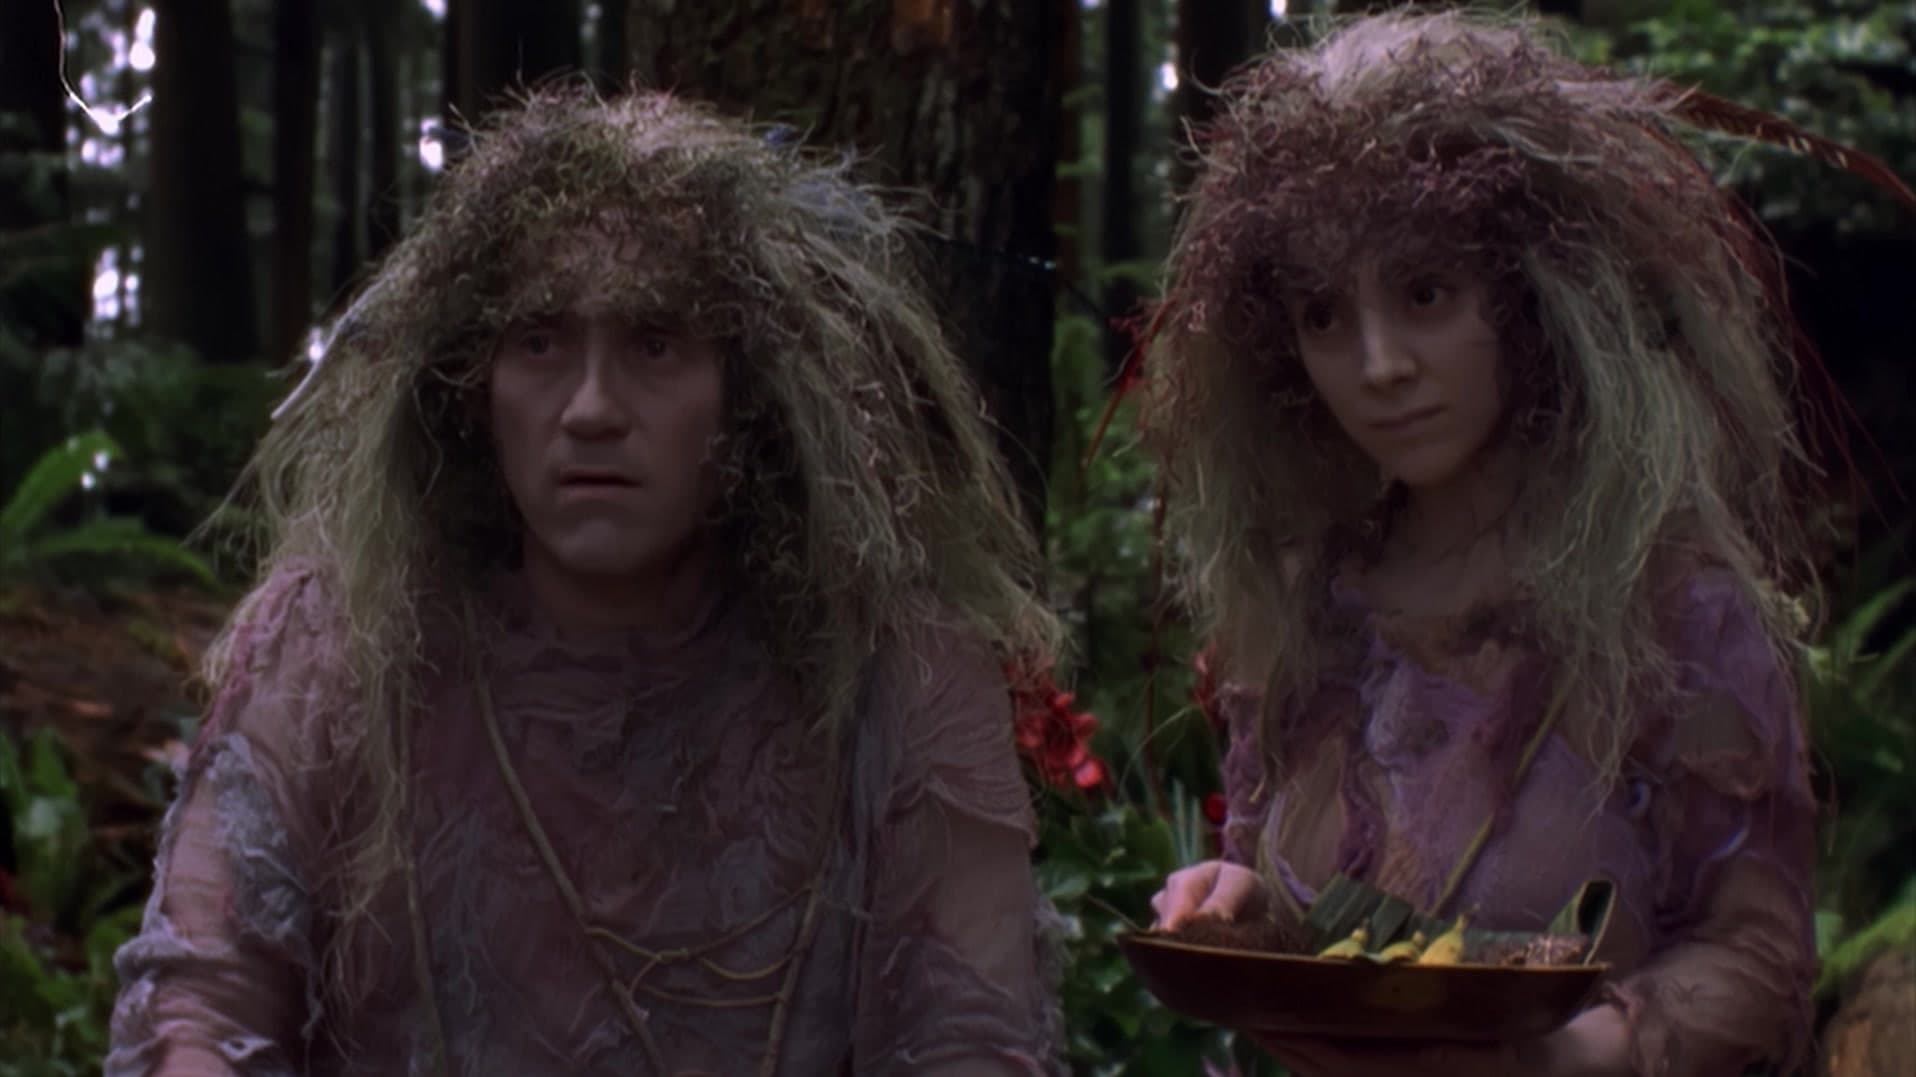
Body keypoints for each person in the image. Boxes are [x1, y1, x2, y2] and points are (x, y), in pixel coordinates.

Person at [107, 89, 1063, 1076]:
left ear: (747, 394)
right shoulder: (343, 646)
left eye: (655, 343)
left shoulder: (894, 669)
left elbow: (970, 1038)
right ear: (472, 387)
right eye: (539, 342)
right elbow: (202, 997)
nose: (592, 408)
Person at [1137, 10, 1865, 1076]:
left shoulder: (1669, 608)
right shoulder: (1306, 607)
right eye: (1322, 314)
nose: (1378, 364)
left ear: (1529, 295)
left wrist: (1565, 1056)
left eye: (1425, 293)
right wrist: (1234, 909)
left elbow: (1757, 956)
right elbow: (1314, 919)